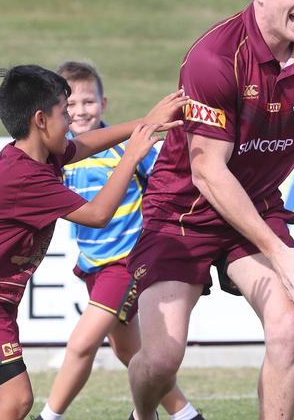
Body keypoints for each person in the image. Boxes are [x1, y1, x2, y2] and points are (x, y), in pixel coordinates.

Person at [125, 0, 294, 420]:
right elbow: (207, 170)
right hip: (181, 213)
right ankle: (142, 416)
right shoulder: (213, 58)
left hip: (254, 208)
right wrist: (279, 252)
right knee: (162, 359)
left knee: (286, 329)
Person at [0, 64, 187, 420]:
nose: (72, 121)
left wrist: (145, 122)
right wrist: (133, 153)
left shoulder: (31, 156)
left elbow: (84, 145)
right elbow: (97, 214)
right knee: (16, 401)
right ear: (41, 120)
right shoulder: (25, 177)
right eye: (64, 112)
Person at [36, 62, 203, 420]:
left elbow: (164, 183)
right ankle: (186, 415)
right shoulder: (59, 157)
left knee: (81, 345)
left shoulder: (125, 148)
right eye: (71, 106)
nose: (80, 111)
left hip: (127, 263)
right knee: (130, 352)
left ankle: (48, 417)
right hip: (93, 266)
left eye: (88, 102)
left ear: (104, 103)